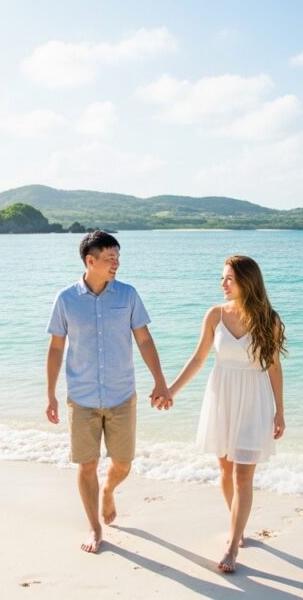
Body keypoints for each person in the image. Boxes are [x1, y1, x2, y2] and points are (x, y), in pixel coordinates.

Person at [45, 230, 173, 554]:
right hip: (82, 397)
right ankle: (94, 527)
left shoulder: (128, 295)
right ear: (91, 261)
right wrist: (51, 393)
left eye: (118, 257)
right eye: (110, 258)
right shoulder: (66, 299)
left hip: (121, 395)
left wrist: (159, 380)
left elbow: (144, 339)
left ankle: (109, 490)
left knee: (124, 462)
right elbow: (56, 348)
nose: (116, 263)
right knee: (86, 465)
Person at [168, 254, 286, 574]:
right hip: (221, 398)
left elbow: (274, 367)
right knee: (225, 470)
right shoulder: (215, 315)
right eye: (222, 278)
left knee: (243, 475)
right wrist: (170, 391)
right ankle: (238, 524)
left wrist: (280, 412)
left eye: (228, 279)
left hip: (253, 400)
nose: (222, 284)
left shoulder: (269, 320)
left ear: (247, 282)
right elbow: (197, 359)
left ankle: (233, 545)